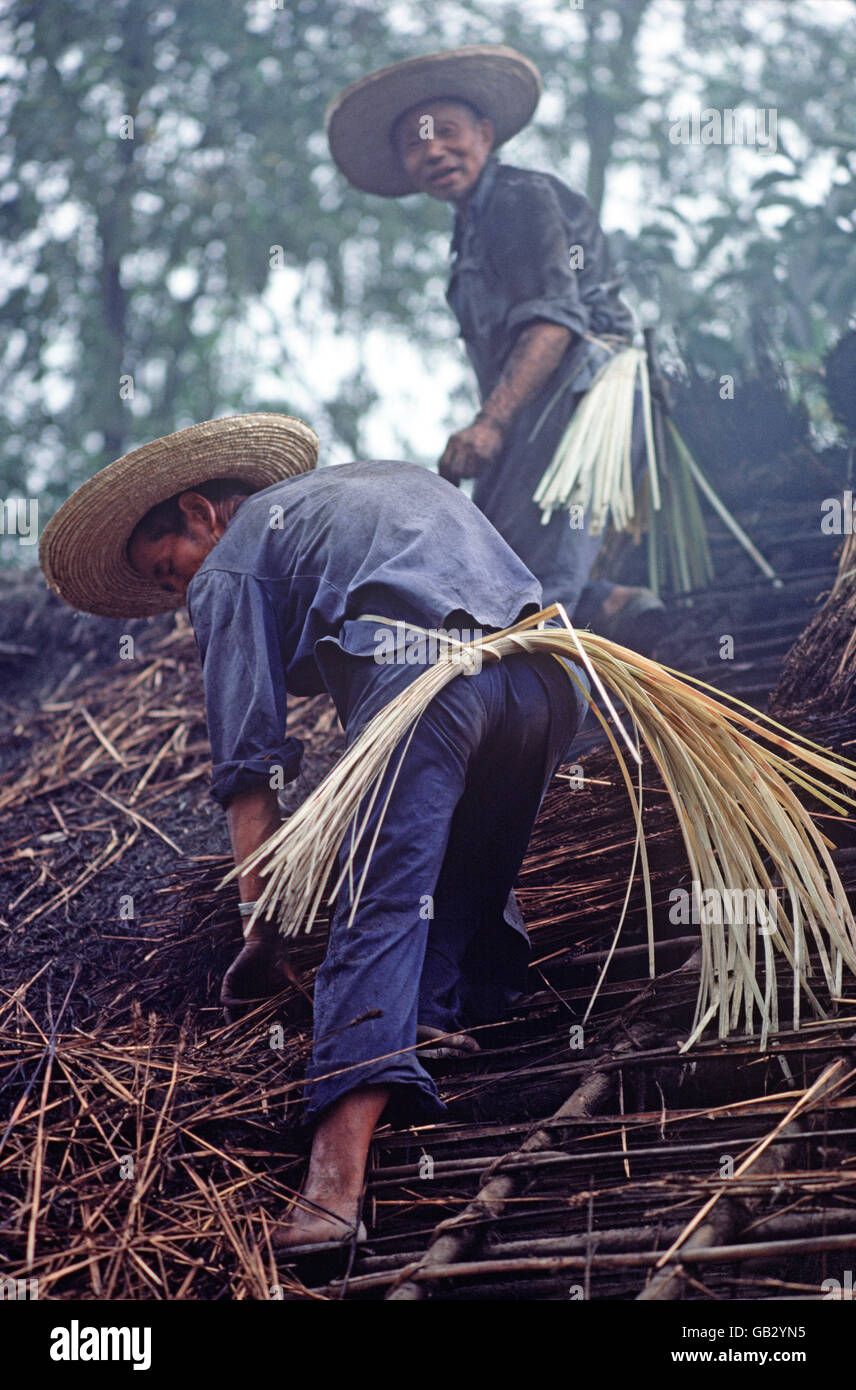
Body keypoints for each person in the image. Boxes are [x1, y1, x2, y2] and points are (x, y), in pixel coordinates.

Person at [39, 413, 589, 1255]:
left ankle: (332, 1189)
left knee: (375, 905)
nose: (184, 591)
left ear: (200, 513)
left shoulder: (231, 559)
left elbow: (247, 770)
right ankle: (432, 1019)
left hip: (432, 686)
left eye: (169, 569)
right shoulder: (372, 486)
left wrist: (264, 924)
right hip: (550, 684)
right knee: (447, 877)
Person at [326, 45, 667, 653]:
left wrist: (488, 425)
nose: (433, 150)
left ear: (485, 135)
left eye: (447, 133)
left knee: (536, 585)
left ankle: (570, 716)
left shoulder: (518, 198)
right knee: (496, 568)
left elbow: (554, 324)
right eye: (414, 143)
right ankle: (616, 606)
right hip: (535, 412)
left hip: (586, 397)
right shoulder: (469, 232)